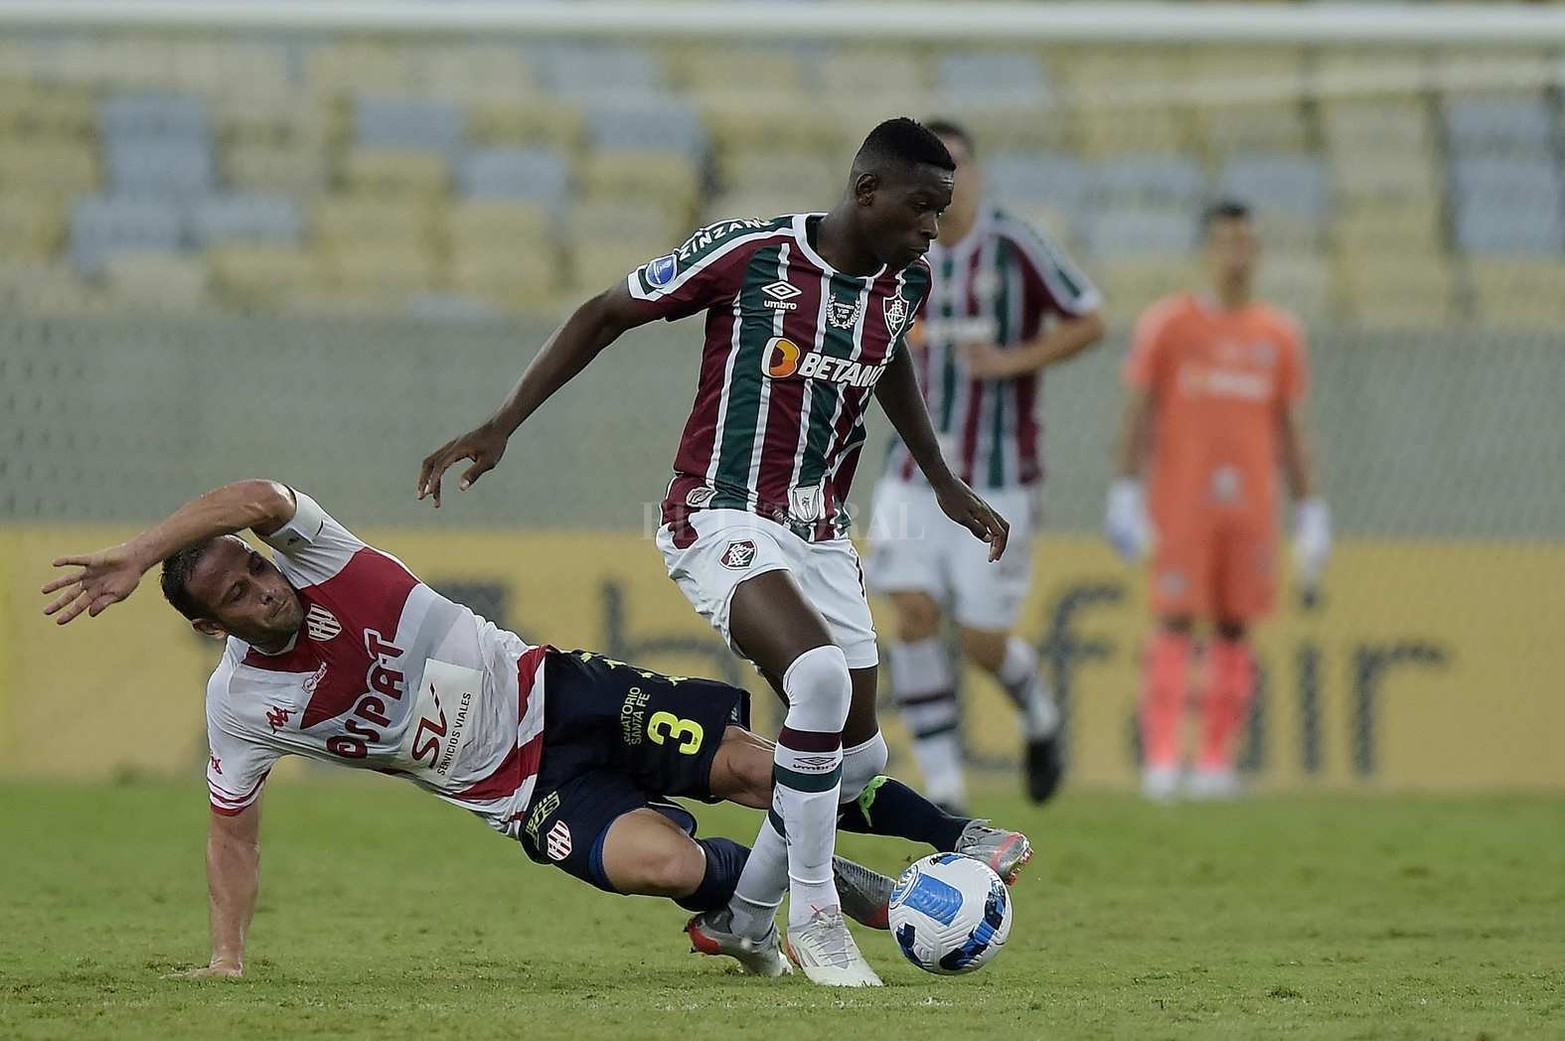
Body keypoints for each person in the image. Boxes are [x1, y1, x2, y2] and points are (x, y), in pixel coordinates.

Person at [416, 117, 1029, 987]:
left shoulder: (906, 280)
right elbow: (605, 311)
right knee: (816, 679)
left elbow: (885, 354)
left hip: (820, 530)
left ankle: (742, 915)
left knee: (856, 762)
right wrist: (502, 422)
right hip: (719, 512)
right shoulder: (749, 253)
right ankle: (814, 916)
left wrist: (939, 478)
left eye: (943, 209)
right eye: (922, 207)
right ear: (866, 190)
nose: (933, 227)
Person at [39, 480, 978, 980]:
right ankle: (797, 889)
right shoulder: (243, 705)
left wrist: (140, 550)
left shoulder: (319, 553)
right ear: (214, 628)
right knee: (664, 866)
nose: (262, 588)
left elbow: (256, 494)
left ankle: (952, 836)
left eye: (253, 569)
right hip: (523, 793)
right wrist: (226, 958)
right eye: (236, 596)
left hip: (559, 690)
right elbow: (231, 832)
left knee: (757, 770)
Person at [866, 119, 1106, 813]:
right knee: (912, 612)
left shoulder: (1013, 244)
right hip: (912, 475)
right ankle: (944, 788)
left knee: (981, 642)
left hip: (1000, 477)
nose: (946, 181)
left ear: (974, 173)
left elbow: (1090, 318)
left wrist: (1011, 360)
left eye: (957, 165)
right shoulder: (892, 251)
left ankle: (1037, 713)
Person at [1107, 199, 1331, 801]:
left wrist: (1311, 509)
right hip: (1183, 505)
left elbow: (1291, 428)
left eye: (1246, 242)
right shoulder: (1169, 325)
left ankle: (1214, 763)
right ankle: (1160, 760)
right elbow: (1138, 412)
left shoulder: (1279, 335)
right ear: (1207, 251)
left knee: (1236, 627)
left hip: (1251, 509)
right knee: (1175, 619)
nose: (1238, 254)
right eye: (1227, 242)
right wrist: (1125, 491)